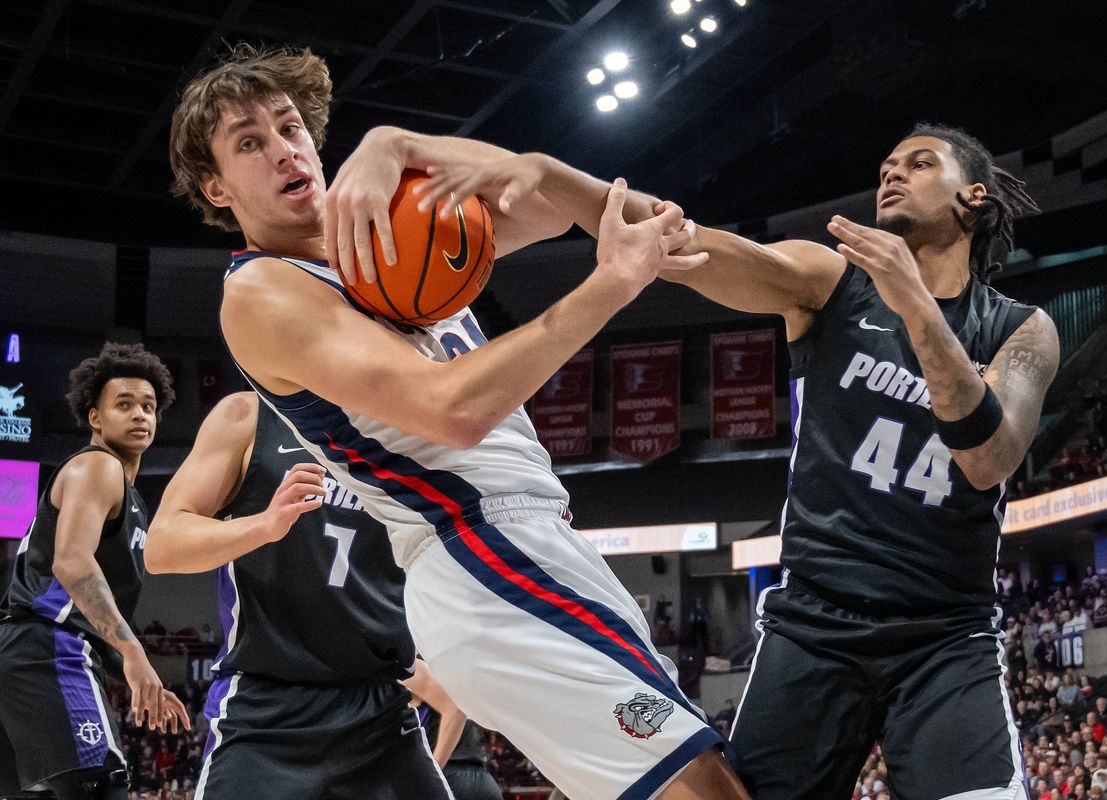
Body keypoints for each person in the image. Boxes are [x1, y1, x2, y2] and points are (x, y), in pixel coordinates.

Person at [167, 44, 743, 800]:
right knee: (702, 791)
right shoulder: (263, 293)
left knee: (709, 782)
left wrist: (399, 145)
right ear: (215, 187)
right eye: (250, 143)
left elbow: (548, 194)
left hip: (539, 542)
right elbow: (453, 411)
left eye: (289, 127)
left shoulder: (386, 238)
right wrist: (611, 284)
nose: (283, 150)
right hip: (477, 559)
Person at [419, 122, 1058, 798]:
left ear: (974, 197)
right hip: (816, 623)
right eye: (887, 164)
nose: (892, 174)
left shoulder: (1020, 327)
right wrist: (549, 172)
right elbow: (681, 238)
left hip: (946, 633)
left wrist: (920, 309)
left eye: (921, 164)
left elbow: (988, 458)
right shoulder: (831, 281)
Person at [145, 392, 452, 799]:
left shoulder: (415, 434)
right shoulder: (248, 416)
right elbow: (162, 546)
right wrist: (263, 526)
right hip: (266, 709)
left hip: (377, 708)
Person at [0, 343, 190, 800]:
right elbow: (72, 563)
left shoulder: (129, 494)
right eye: (123, 405)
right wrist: (134, 653)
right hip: (49, 646)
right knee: (102, 787)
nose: (140, 415)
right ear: (95, 418)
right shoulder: (97, 467)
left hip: (24, 652)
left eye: (148, 406)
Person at [409, 660, 503, 800]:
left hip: (452, 779)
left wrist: (433, 772)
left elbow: (454, 709)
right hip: (475, 777)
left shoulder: (403, 667)